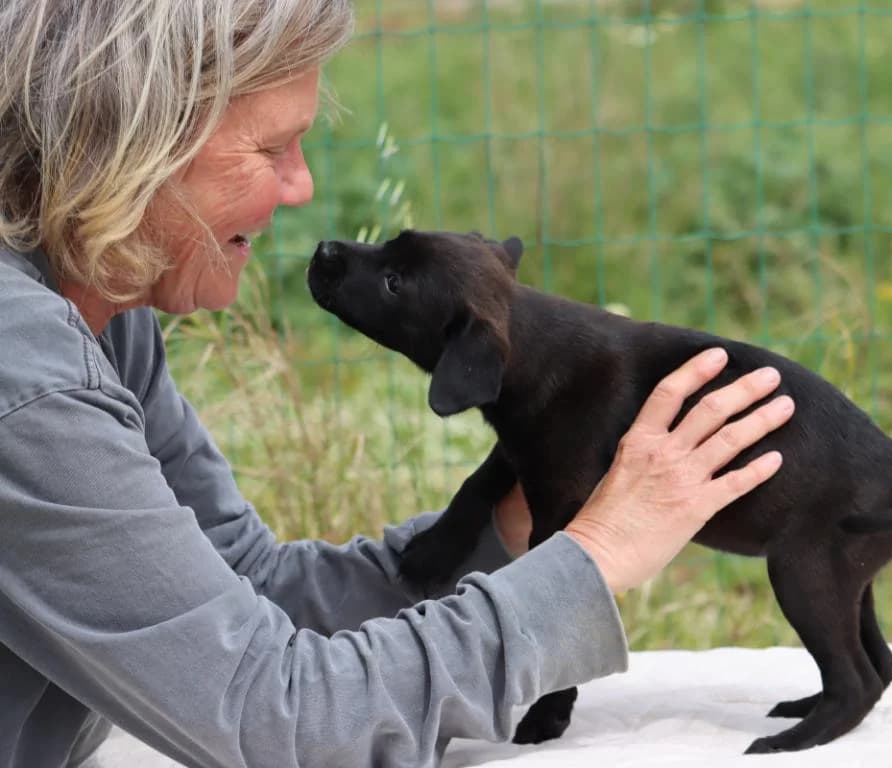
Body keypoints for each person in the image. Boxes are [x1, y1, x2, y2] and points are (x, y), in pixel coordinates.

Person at [0, 2, 796, 767]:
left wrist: (510, 528)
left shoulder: (100, 298)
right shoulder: (27, 373)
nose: (301, 185)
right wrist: (595, 556)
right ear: (128, 144)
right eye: (271, 149)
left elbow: (253, 591)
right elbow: (281, 723)